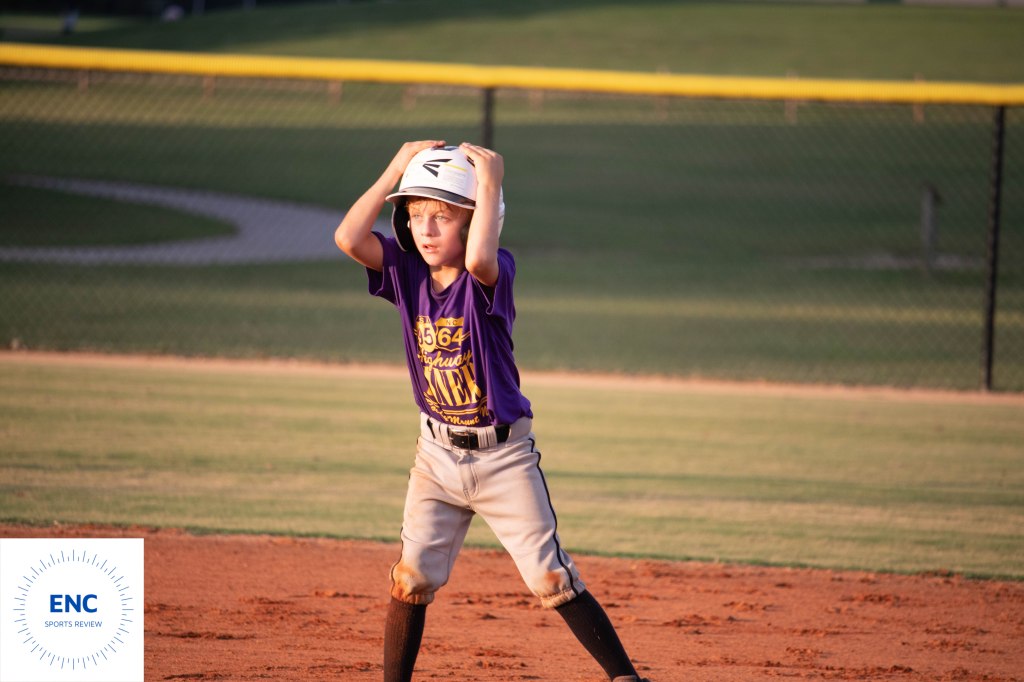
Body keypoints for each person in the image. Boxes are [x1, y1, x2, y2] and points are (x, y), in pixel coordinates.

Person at [335, 140, 650, 682]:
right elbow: (347, 238)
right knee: (411, 578)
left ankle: (626, 678)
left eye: (442, 216)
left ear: (477, 219)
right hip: (435, 457)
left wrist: (490, 182)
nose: (425, 228)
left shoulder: (493, 271)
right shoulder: (407, 272)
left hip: (504, 459)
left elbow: (479, 257)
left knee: (551, 577)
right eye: (414, 215)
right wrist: (396, 168)